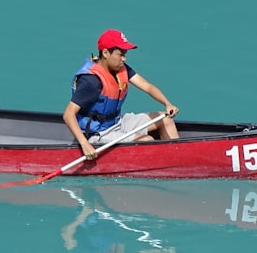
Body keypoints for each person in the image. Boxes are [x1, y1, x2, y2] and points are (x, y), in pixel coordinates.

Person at [63, 29, 179, 161]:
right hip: (98, 133)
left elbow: (147, 86)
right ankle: (166, 164)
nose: (124, 59)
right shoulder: (91, 81)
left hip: (117, 122)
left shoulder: (120, 68)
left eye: (125, 54)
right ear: (105, 53)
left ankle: (178, 159)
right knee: (147, 141)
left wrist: (167, 103)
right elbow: (68, 114)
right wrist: (85, 144)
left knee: (165, 119)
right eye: (120, 54)